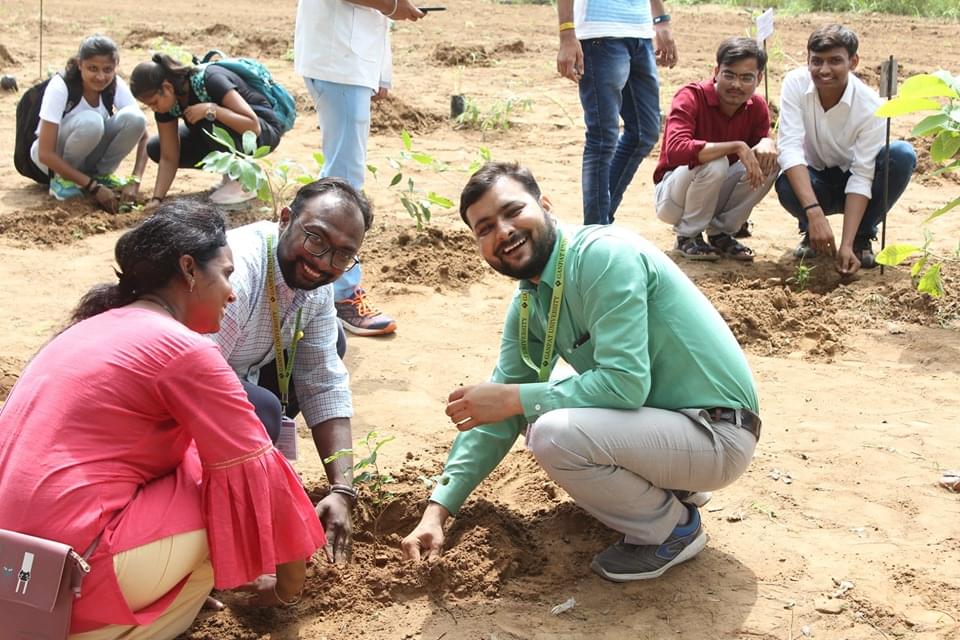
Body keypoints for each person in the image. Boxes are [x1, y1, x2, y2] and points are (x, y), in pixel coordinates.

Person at [401, 162, 760, 583]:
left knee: (552, 430)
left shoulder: (602, 257)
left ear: (546, 205)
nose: (502, 232)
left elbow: (625, 384)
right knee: (529, 400)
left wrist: (514, 399)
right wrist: (437, 510)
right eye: (484, 229)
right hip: (670, 430)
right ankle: (672, 491)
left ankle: (672, 528)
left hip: (717, 435)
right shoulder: (529, 302)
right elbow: (495, 411)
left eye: (513, 210)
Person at [0, 202, 326, 639]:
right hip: (75, 570)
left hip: (14, 571)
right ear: (189, 269)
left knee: (198, 454)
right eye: (226, 274)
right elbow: (261, 478)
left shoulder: (93, 325)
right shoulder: (184, 350)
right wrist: (287, 589)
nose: (232, 293)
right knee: (222, 479)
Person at [209, 178, 373, 564]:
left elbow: (323, 380)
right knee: (262, 409)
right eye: (316, 239)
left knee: (331, 341)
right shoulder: (240, 270)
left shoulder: (315, 287)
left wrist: (343, 490)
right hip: (181, 386)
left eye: (342, 256)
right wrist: (275, 503)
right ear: (285, 219)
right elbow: (194, 376)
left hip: (239, 369)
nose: (323, 263)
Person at [293, 0, 424, 336]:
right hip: (340, 62)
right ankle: (340, 294)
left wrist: (379, 70)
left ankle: (320, 282)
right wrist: (397, 7)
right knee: (344, 183)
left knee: (341, 176)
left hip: (348, 63)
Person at [776, 24, 916, 275]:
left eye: (835, 61)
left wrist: (847, 243)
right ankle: (813, 232)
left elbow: (862, 175)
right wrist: (814, 213)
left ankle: (861, 237)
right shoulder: (795, 84)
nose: (824, 70)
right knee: (785, 182)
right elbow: (789, 148)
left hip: (856, 181)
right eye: (816, 61)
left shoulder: (871, 105)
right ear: (807, 60)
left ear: (853, 62)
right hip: (814, 180)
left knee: (902, 155)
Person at [654, 37, 777, 261]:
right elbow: (677, 150)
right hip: (673, 198)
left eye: (746, 77)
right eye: (729, 75)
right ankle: (687, 235)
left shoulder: (757, 107)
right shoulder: (691, 96)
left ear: (759, 78)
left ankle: (721, 233)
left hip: (712, 196)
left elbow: (761, 146)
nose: (736, 85)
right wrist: (736, 146)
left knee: (772, 160)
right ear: (716, 71)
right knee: (715, 162)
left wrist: (767, 141)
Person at [556, 0, 678, 225]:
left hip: (640, 33)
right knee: (603, 137)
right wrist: (567, 34)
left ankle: (598, 225)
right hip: (599, 33)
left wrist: (660, 20)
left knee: (645, 133)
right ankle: (597, 229)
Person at [130, 53, 286, 207]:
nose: (154, 108)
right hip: (223, 130)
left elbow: (253, 126)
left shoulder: (210, 80)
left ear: (167, 87)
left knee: (208, 122)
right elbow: (169, 156)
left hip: (263, 132)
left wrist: (211, 109)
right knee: (155, 147)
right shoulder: (167, 105)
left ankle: (244, 182)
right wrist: (157, 199)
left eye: (154, 103)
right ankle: (230, 174)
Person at [30, 34, 148, 213]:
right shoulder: (61, 86)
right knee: (92, 122)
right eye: (93, 68)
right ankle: (63, 181)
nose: (100, 77)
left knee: (136, 118)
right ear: (79, 64)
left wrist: (135, 180)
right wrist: (93, 187)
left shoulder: (114, 85)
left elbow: (143, 133)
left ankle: (101, 175)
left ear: (115, 68)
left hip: (87, 157)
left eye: (107, 69)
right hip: (52, 161)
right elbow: (45, 153)